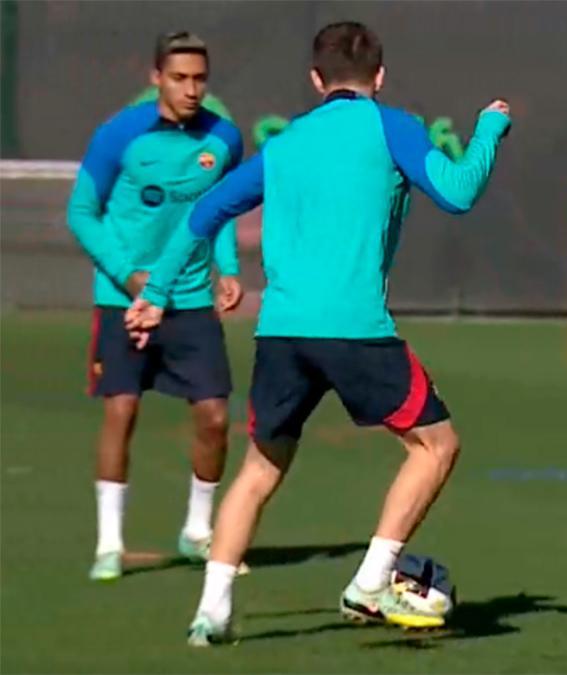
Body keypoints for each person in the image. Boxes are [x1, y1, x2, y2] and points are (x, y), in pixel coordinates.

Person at [125, 21, 511, 645]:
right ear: (379, 78)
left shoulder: (286, 143)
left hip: (282, 333)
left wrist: (155, 293)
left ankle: (212, 612)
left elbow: (205, 212)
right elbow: (459, 192)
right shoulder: (393, 126)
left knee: (259, 471)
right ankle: (372, 580)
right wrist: (490, 129)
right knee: (436, 446)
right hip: (354, 331)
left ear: (315, 80)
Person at [66, 31, 244, 582]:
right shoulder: (119, 134)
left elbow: (222, 207)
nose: (192, 90)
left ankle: (197, 531)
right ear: (156, 78)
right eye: (180, 78)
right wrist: (129, 274)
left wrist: (229, 269)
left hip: (191, 299)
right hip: (123, 300)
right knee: (122, 411)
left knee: (214, 418)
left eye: (199, 79)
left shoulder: (225, 138)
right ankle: (110, 545)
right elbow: (81, 212)